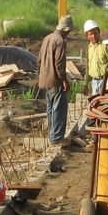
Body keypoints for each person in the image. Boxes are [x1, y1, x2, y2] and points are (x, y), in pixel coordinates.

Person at [38, 15, 73, 145]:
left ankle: (52, 135)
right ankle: (57, 137)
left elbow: (39, 60)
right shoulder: (60, 41)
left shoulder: (47, 38)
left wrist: (42, 74)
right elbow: (59, 64)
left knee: (50, 108)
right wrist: (64, 79)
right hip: (55, 80)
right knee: (59, 108)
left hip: (44, 80)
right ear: (66, 29)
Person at [83, 19, 108, 96]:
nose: (94, 36)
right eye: (91, 34)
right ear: (87, 36)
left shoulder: (105, 46)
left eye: (95, 33)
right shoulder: (89, 48)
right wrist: (86, 84)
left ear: (99, 32)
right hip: (94, 82)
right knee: (96, 104)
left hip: (105, 81)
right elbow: (88, 67)